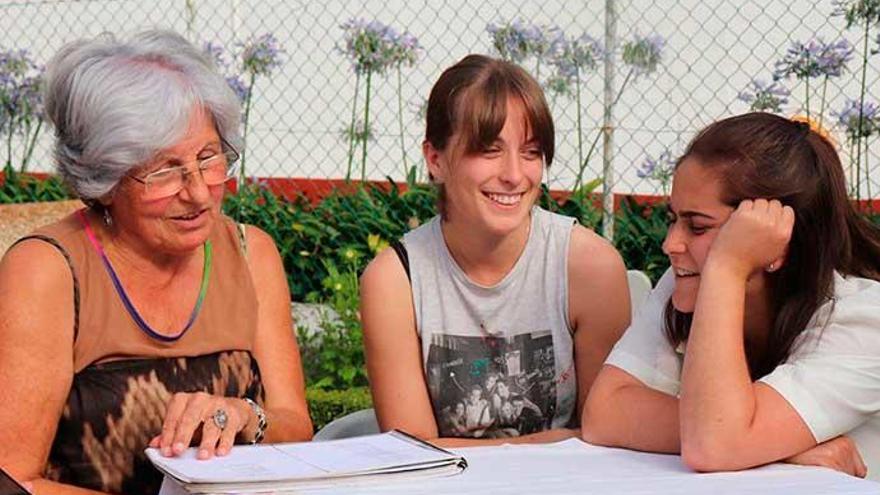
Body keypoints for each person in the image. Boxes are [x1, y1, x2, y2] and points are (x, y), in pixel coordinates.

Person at [0, 30, 313, 494]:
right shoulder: (48, 271)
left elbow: (296, 428)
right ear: (104, 177)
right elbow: (11, 476)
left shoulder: (251, 254)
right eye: (164, 171)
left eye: (209, 158)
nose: (199, 192)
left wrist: (249, 416)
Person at [582, 112, 880, 480]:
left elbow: (713, 445)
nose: (670, 244)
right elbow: (605, 412)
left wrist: (727, 267)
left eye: (698, 226)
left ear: (777, 237)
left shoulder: (865, 319)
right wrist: (772, 446)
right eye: (673, 218)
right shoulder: (686, 279)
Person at [360, 54, 631, 446]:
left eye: (531, 151)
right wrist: (557, 441)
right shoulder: (394, 280)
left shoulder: (590, 267)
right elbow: (413, 451)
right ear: (435, 160)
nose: (514, 175)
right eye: (488, 150)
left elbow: (606, 436)